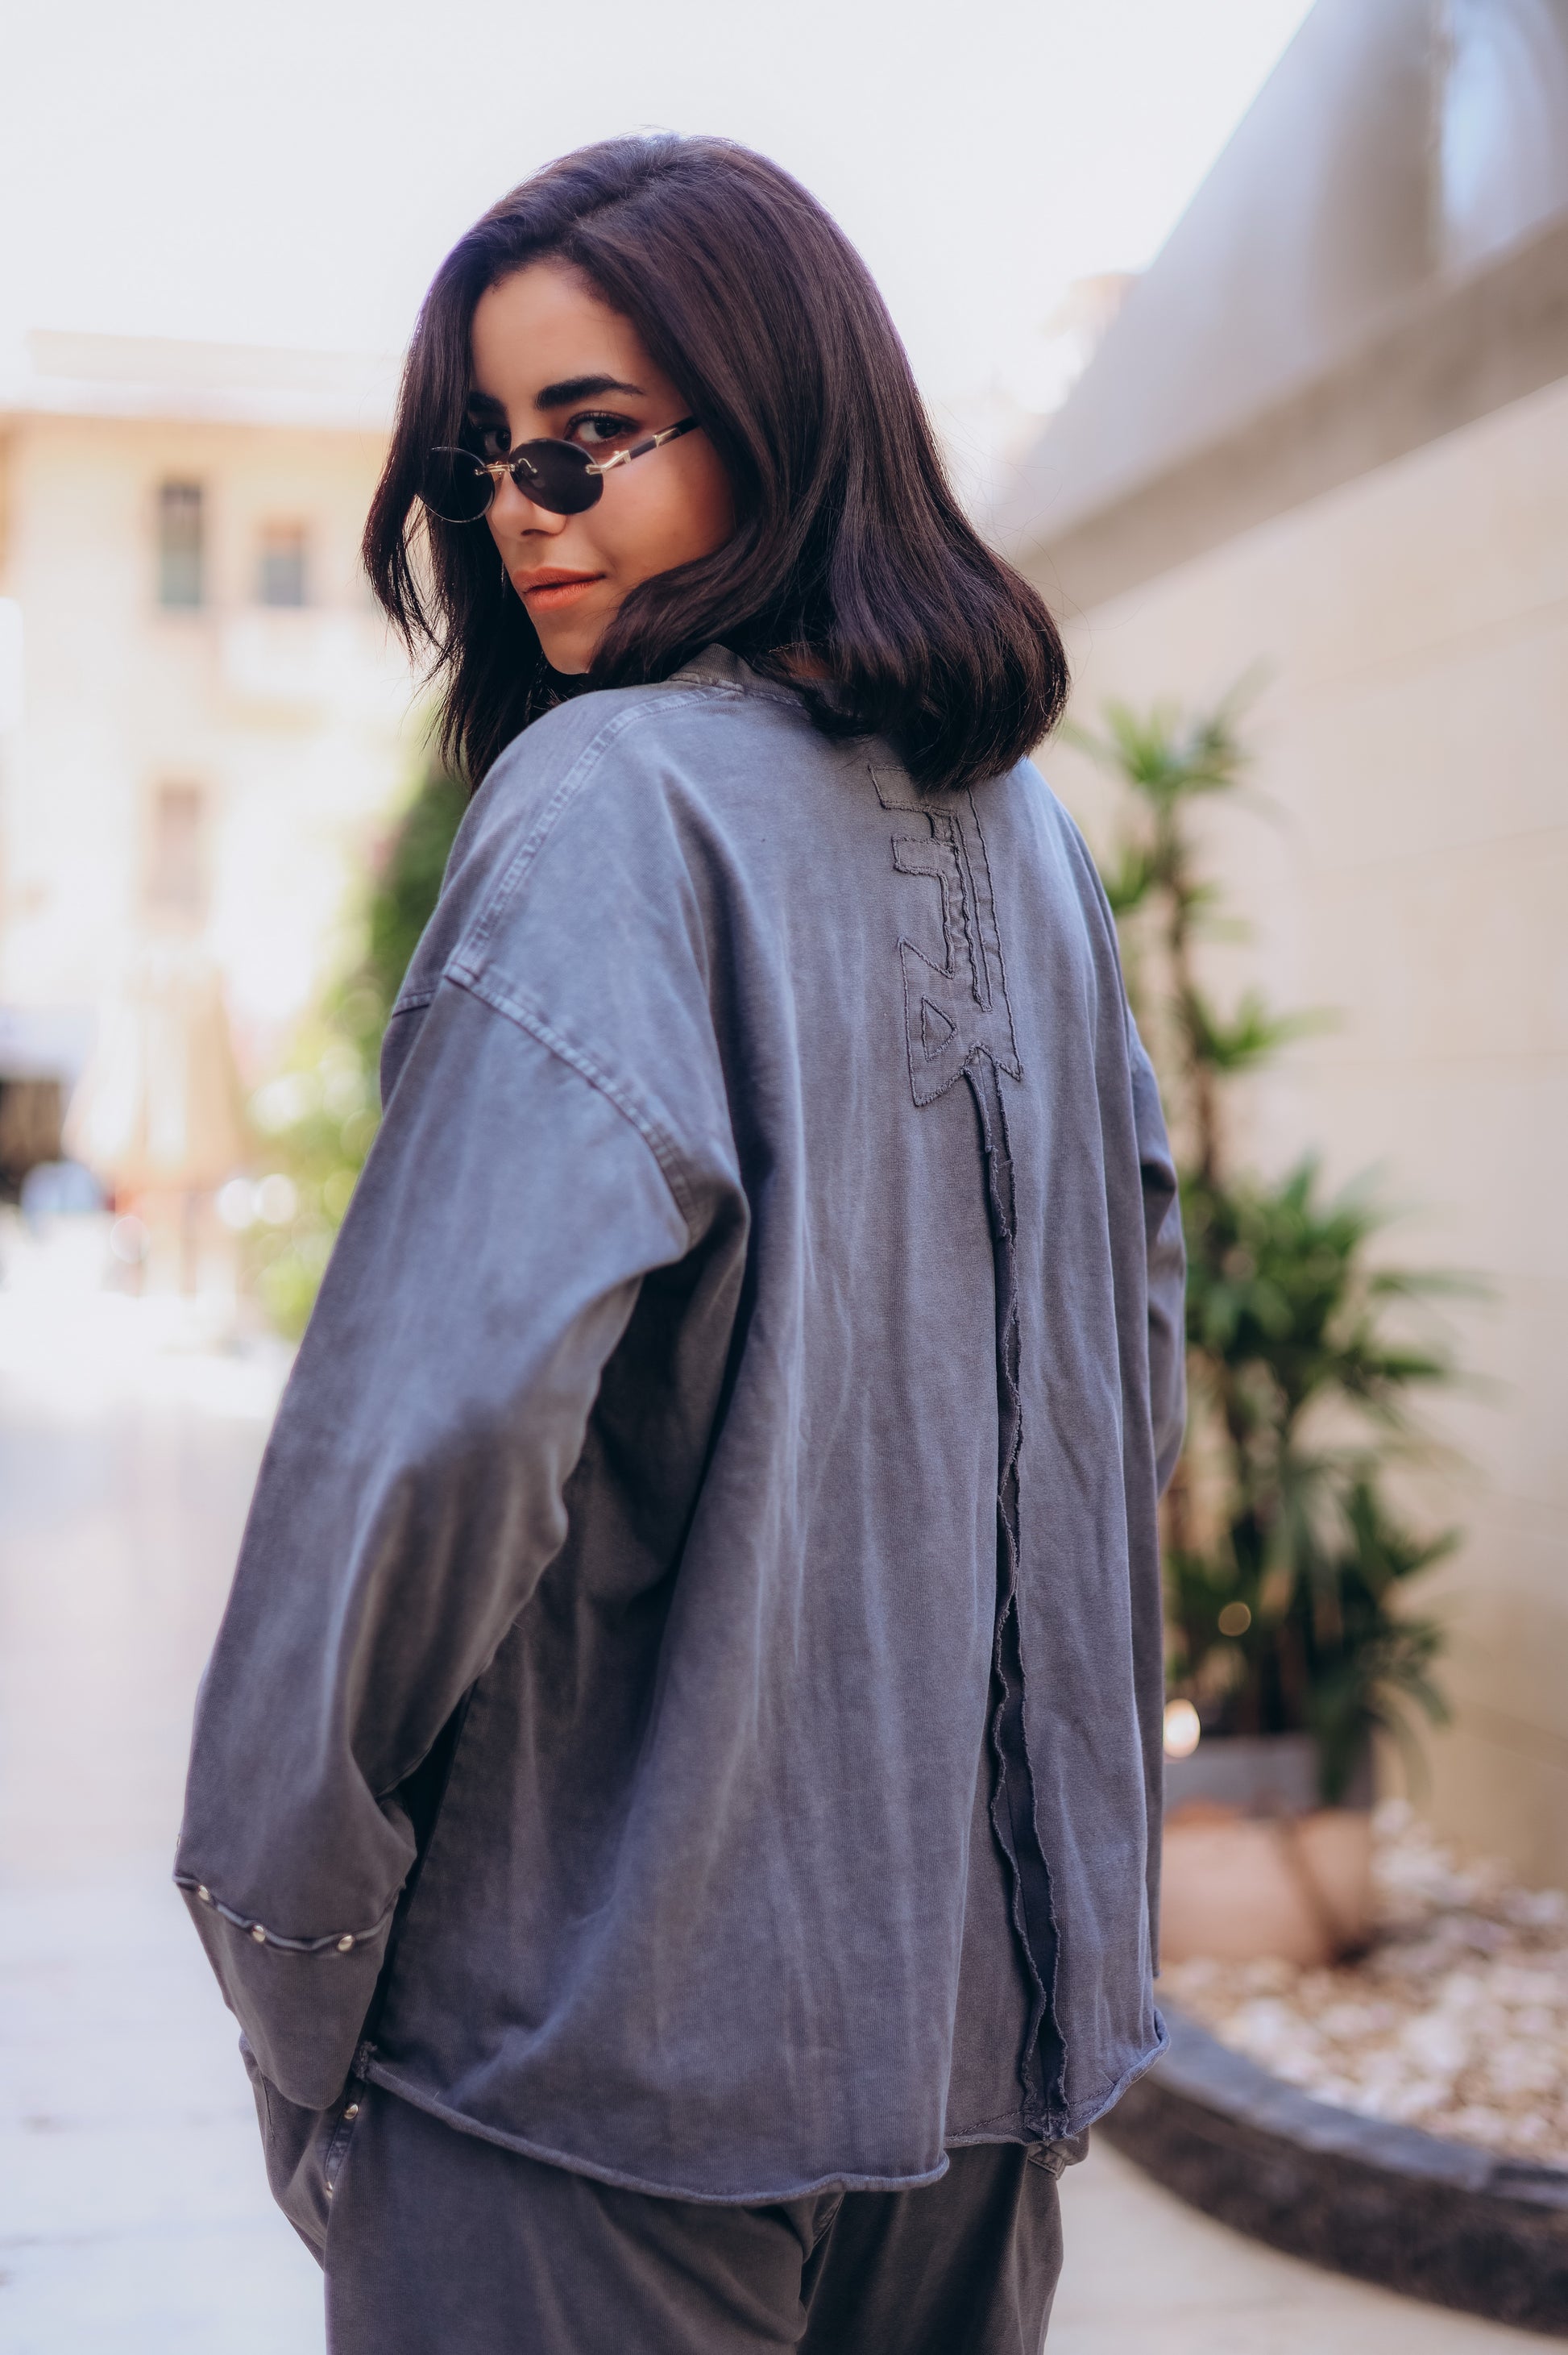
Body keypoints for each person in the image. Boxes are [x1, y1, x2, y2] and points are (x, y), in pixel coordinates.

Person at [176, 135, 1185, 2354]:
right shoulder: (1030, 839)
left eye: (587, 436)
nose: (521, 507)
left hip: (595, 2086)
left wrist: (291, 1945)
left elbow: (430, 1444)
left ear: (787, 413)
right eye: (485, 457)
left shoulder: (608, 803)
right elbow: (1131, 1384)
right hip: (973, 2053)